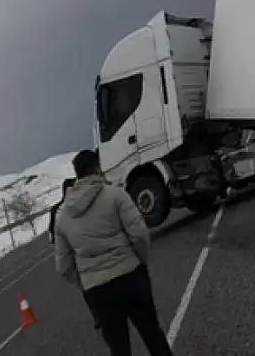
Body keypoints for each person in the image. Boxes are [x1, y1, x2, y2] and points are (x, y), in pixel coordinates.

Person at [54, 149, 174, 356]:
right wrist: (140, 261)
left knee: (118, 349)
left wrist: (87, 282)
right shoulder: (115, 194)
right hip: (131, 275)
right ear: (97, 168)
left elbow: (63, 266)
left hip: (98, 291)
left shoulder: (62, 216)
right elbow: (139, 234)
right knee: (152, 334)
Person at [48, 177, 101, 330]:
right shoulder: (76, 205)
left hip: (72, 255)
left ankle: (97, 315)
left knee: (86, 286)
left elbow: (52, 236)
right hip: (84, 250)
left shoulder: (55, 210)